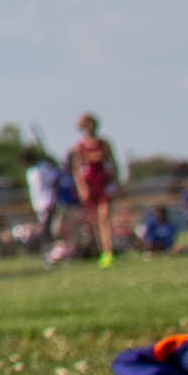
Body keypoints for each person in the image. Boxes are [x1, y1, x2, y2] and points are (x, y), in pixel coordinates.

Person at [65, 113, 121, 265]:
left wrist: (117, 182)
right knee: (95, 221)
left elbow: (113, 164)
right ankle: (102, 251)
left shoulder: (104, 144)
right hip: (90, 186)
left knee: (104, 217)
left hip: (104, 184)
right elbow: (77, 170)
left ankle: (109, 251)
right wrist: (82, 189)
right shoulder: (79, 147)